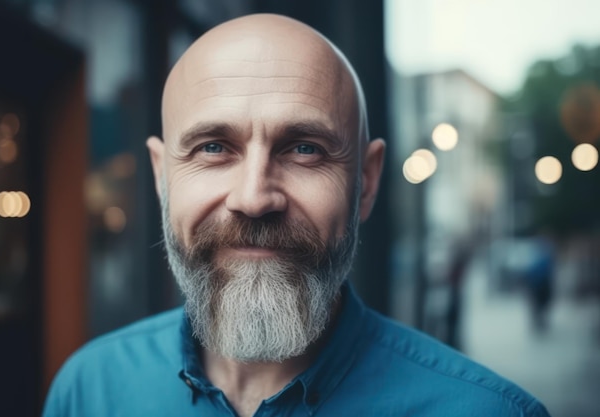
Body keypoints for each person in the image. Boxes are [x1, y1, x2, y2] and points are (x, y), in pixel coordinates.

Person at [43, 14, 551, 417]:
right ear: (161, 177)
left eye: (305, 148)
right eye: (214, 147)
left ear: (366, 182)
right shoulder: (89, 391)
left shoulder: (489, 412)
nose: (254, 197)